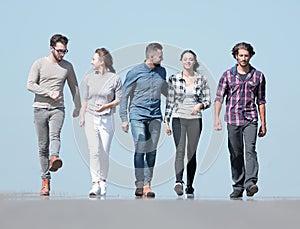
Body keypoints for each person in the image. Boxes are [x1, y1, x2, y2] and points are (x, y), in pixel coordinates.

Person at [27, 34, 81, 196]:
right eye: (59, 51)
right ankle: (45, 180)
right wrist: (48, 92)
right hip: (39, 108)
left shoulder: (67, 67)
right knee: (42, 146)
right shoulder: (39, 63)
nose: (62, 54)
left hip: (58, 108)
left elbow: (75, 87)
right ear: (51, 48)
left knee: (55, 135)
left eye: (65, 51)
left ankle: (55, 158)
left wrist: (78, 107)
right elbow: (30, 84)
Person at [214, 42, 267, 199]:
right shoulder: (227, 75)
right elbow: (219, 97)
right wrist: (216, 118)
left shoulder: (258, 76)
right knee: (235, 153)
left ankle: (250, 183)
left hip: (251, 118)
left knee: (250, 149)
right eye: (241, 55)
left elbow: (261, 101)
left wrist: (264, 123)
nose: (243, 58)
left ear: (250, 56)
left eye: (246, 55)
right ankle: (238, 186)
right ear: (236, 56)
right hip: (232, 118)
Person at [119, 43, 167, 198]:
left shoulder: (162, 71)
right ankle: (140, 183)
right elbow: (124, 96)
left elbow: (165, 91)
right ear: (151, 56)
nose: (162, 58)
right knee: (140, 146)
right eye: (160, 55)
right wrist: (124, 119)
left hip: (155, 116)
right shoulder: (135, 72)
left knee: (151, 151)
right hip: (137, 115)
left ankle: (147, 184)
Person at [164, 50, 211, 198]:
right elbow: (170, 101)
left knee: (191, 153)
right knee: (180, 150)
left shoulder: (201, 79)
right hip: (178, 118)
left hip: (195, 119)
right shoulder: (174, 78)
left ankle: (190, 185)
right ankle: (179, 182)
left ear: (194, 62)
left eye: (191, 59)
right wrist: (166, 120)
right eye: (185, 59)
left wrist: (200, 105)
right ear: (181, 61)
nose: (188, 62)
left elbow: (208, 100)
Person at [79, 48, 122, 197]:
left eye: (94, 59)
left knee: (104, 152)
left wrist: (106, 106)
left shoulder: (114, 78)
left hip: (107, 118)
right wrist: (82, 116)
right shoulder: (89, 78)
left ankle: (103, 181)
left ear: (101, 61)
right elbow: (85, 99)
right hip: (91, 117)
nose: (91, 62)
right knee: (94, 151)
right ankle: (95, 183)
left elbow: (118, 100)